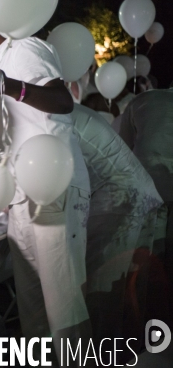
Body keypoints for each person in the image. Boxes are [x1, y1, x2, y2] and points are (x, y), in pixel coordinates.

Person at [0, 31, 91, 362]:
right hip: (22, 195)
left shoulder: (25, 48)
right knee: (32, 307)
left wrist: (11, 87)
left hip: (51, 185)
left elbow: (62, 101)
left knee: (63, 305)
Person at [70, 104, 162, 349]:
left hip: (121, 199)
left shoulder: (52, 118)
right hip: (136, 191)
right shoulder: (69, 109)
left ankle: (103, 355)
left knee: (104, 288)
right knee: (128, 290)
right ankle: (126, 352)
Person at [119, 88, 173, 296]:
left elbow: (122, 148)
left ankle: (143, 306)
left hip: (145, 183)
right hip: (158, 179)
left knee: (147, 254)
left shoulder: (142, 100)